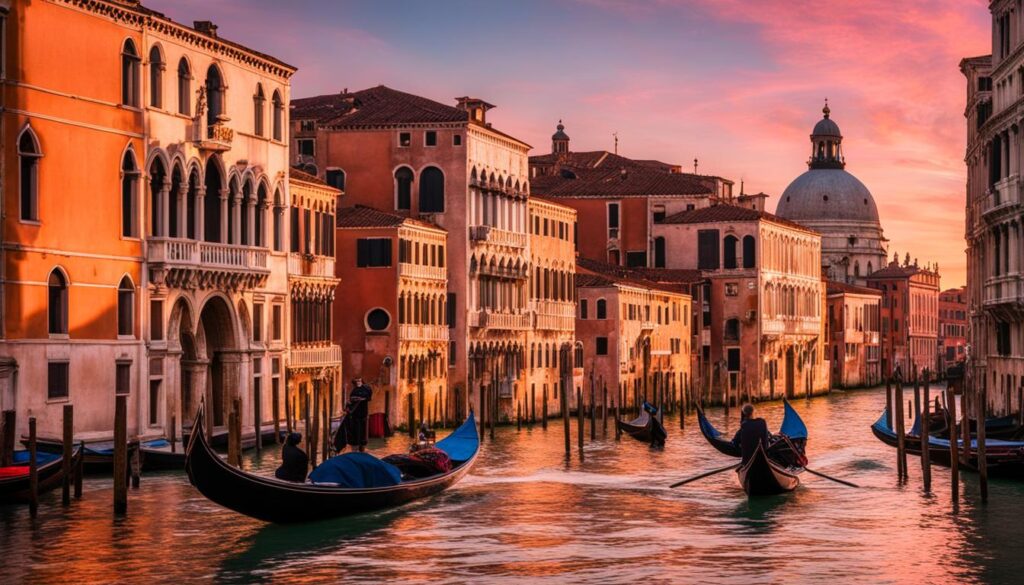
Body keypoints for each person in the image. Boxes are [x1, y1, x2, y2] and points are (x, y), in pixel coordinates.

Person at [343, 377, 373, 453]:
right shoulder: (355, 391)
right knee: (358, 436)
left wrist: (359, 399)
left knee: (360, 437)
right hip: (357, 416)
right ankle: (357, 449)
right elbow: (352, 399)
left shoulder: (364, 390)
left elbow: (367, 397)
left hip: (361, 416)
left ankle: (359, 450)